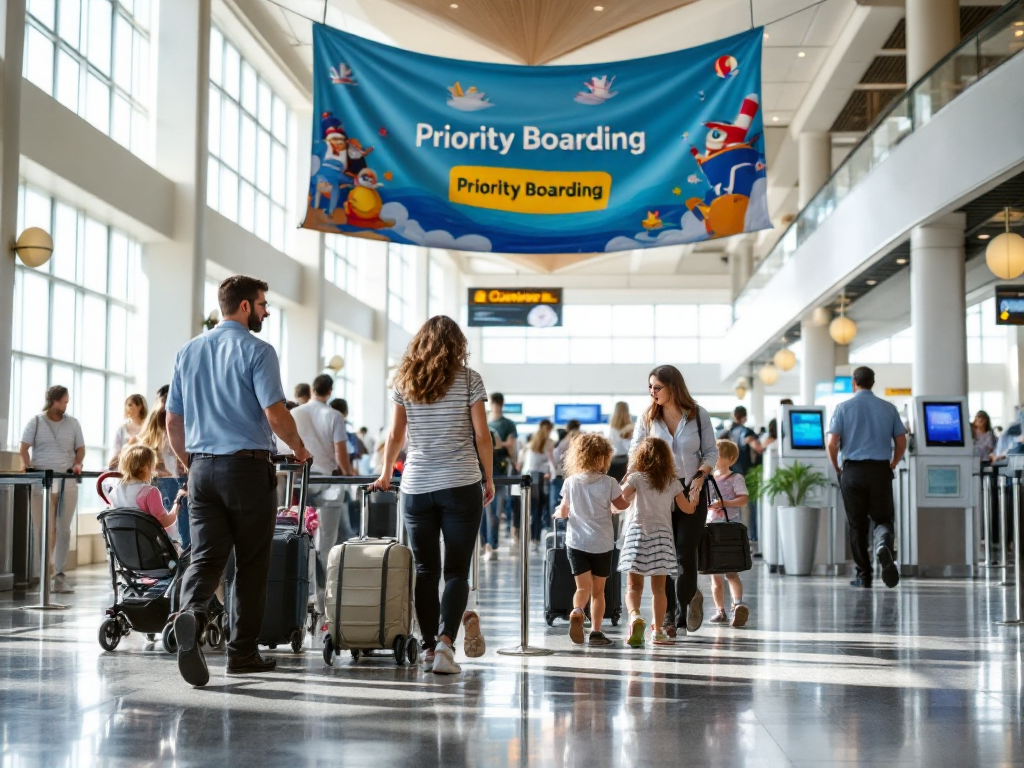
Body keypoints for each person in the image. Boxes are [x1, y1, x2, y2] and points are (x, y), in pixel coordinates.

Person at [166, 275, 310, 687]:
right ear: (245, 306)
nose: (266, 311)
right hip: (246, 470)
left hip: (202, 469)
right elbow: (275, 413)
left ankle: (191, 614)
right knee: (250, 563)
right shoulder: (258, 350)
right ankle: (241, 653)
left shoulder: (188, 351)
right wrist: (299, 448)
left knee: (206, 557)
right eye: (263, 303)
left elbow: (172, 420)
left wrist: (190, 464)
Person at [372, 316, 493, 675]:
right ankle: (444, 645)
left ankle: (426, 648)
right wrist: (489, 478)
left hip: (417, 485)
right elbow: (482, 436)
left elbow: (394, 437)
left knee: (425, 570)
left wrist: (384, 474)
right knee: (456, 570)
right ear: (458, 344)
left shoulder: (405, 380)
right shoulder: (469, 379)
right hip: (460, 483)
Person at [630, 365, 718, 639]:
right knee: (663, 555)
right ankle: (668, 617)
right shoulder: (647, 418)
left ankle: (684, 606)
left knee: (684, 551)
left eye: (657, 387)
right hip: (659, 489)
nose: (652, 392)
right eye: (650, 387)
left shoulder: (697, 414)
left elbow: (711, 452)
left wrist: (701, 476)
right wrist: (630, 482)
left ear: (673, 387)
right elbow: (635, 451)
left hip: (693, 487)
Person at [826, 366, 905, 590]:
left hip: (852, 471)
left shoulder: (842, 408)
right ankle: (882, 544)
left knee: (857, 526)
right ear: (873, 382)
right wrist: (893, 463)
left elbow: (832, 443)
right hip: (880, 470)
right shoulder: (889, 408)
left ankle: (864, 576)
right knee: (883, 519)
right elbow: (901, 443)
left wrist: (837, 467)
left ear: (854, 382)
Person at [617, 437, 700, 647]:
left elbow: (619, 502)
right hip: (662, 538)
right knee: (660, 589)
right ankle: (659, 630)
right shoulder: (672, 482)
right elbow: (687, 509)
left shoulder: (636, 479)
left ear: (641, 458)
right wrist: (696, 496)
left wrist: (627, 476)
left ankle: (635, 617)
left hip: (637, 534)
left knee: (633, 587)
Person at [554, 433, 628, 647]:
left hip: (576, 542)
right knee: (598, 592)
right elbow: (621, 505)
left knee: (582, 588)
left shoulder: (570, 482)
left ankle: (577, 611)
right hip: (602, 544)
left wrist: (558, 513)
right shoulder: (610, 482)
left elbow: (565, 510)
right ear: (604, 457)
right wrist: (629, 494)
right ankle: (596, 632)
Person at [291, 373, 355, 604]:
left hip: (300, 480)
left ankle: (302, 588)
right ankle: (323, 595)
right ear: (330, 391)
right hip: (329, 481)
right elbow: (341, 451)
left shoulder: (295, 413)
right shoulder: (334, 415)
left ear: (312, 388)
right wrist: (348, 475)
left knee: (298, 533)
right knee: (326, 540)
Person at [19, 385, 85, 594]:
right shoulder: (36, 422)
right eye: (64, 401)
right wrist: (28, 466)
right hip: (42, 478)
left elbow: (80, 448)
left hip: (67, 479)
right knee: (41, 528)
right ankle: (41, 573)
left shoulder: (73, 423)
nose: (66, 405)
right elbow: (23, 448)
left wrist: (77, 463)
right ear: (54, 401)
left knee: (63, 528)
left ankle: (59, 575)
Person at [707, 439, 750, 628]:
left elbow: (743, 500)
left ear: (730, 459)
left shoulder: (736, 478)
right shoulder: (709, 478)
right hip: (711, 527)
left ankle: (737, 605)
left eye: (719, 456)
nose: (715, 459)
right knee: (714, 574)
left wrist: (724, 503)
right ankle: (720, 610)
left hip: (729, 527)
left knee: (731, 572)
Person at [137, 402, 191, 550]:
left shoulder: (171, 424)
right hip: (168, 482)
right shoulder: (159, 426)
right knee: (177, 530)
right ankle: (180, 562)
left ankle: (182, 561)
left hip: (179, 480)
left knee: (183, 530)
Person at [107, 444, 184, 542]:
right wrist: (177, 504)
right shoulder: (150, 492)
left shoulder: (114, 492)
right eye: (153, 466)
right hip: (145, 546)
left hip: (122, 546)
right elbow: (165, 522)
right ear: (145, 468)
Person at [728, 405, 763, 544]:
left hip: (732, 472)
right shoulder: (746, 432)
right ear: (745, 417)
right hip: (747, 472)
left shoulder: (730, 432)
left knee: (735, 505)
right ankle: (752, 535)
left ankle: (736, 535)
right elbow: (758, 448)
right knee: (751, 506)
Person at [519, 419, 556, 551]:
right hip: (540, 479)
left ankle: (528, 537)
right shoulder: (549, 443)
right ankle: (536, 538)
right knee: (540, 509)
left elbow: (522, 462)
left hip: (527, 478)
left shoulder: (531, 444)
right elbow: (552, 463)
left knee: (530, 510)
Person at [488, 393, 519, 548]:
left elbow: (511, 445)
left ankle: (492, 544)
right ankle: (484, 543)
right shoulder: (483, 420)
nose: (495, 406)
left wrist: (501, 444)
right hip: (481, 467)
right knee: (483, 512)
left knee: (496, 509)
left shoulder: (508, 424)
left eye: (498, 403)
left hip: (499, 468)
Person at [551, 419, 581, 519]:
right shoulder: (582, 438)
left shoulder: (564, 441)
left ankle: (560, 525)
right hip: (578, 475)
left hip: (563, 475)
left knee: (560, 501)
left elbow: (556, 458)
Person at [108, 394, 147, 467]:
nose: (126, 409)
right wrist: (129, 446)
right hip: (124, 470)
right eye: (126, 405)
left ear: (140, 406)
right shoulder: (121, 429)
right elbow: (113, 459)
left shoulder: (148, 428)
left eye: (129, 405)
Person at [607, 401, 633, 482]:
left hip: (614, 461)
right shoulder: (630, 427)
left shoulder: (611, 428)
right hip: (627, 460)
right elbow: (629, 447)